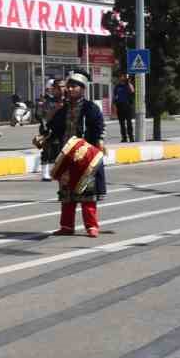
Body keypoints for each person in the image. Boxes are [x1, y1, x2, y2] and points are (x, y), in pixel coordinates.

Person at [44, 72, 107, 236]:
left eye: (74, 86)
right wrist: (46, 136)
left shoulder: (90, 108)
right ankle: (66, 226)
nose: (70, 89)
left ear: (82, 89)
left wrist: (99, 141)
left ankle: (91, 226)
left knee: (87, 191)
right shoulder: (62, 109)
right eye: (69, 86)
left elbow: (99, 127)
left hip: (85, 154)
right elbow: (53, 129)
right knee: (66, 192)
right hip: (66, 155)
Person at [112, 74, 135, 143]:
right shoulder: (117, 87)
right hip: (120, 106)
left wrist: (128, 83)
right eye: (121, 76)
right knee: (122, 124)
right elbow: (115, 97)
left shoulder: (129, 85)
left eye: (124, 76)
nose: (122, 78)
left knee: (129, 123)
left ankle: (131, 138)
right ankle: (124, 138)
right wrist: (114, 107)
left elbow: (132, 92)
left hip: (127, 106)